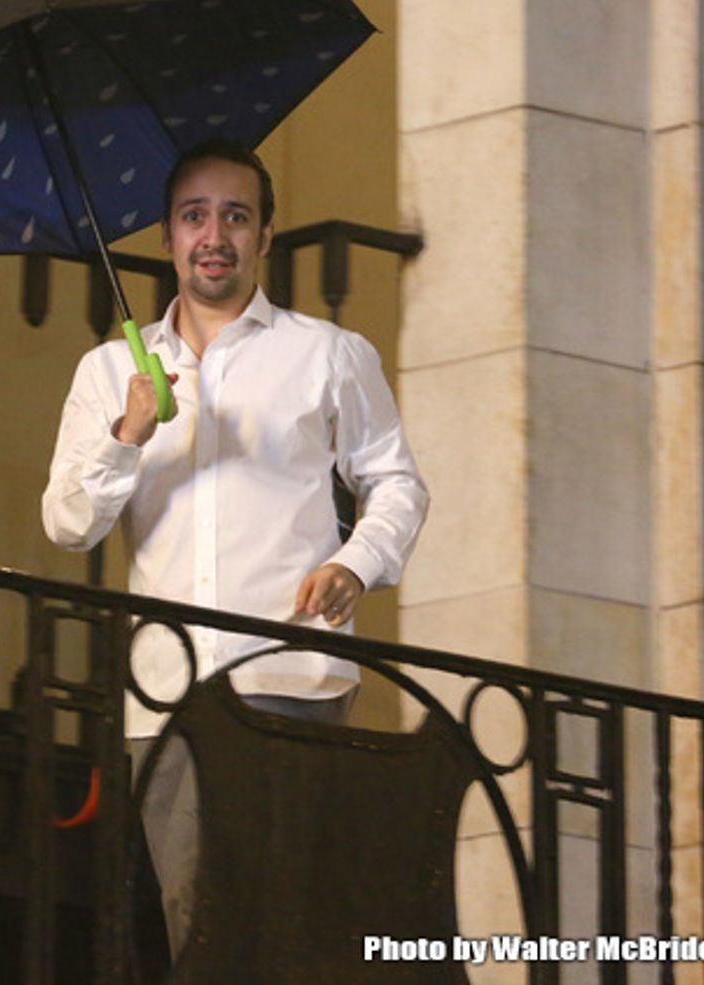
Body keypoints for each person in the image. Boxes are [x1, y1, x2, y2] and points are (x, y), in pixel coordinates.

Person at [40, 138, 428, 955]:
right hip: (168, 696)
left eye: (235, 215)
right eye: (193, 216)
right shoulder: (112, 372)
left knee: (293, 919)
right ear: (167, 236)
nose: (214, 233)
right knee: (200, 923)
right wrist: (127, 436)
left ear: (264, 236)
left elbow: (396, 483)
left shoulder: (327, 354)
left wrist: (354, 563)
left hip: (287, 671)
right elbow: (69, 523)